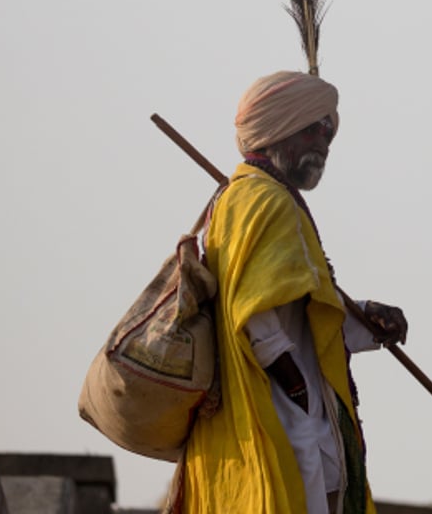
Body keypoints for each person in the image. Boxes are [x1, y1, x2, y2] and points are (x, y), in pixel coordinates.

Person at [173, 70, 408, 514]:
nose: (324, 142)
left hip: (289, 405)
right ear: (278, 129)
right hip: (280, 408)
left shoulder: (252, 196)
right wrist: (295, 386)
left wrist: (365, 317)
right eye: (312, 129)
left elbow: (296, 304)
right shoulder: (264, 199)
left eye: (328, 131)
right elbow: (255, 310)